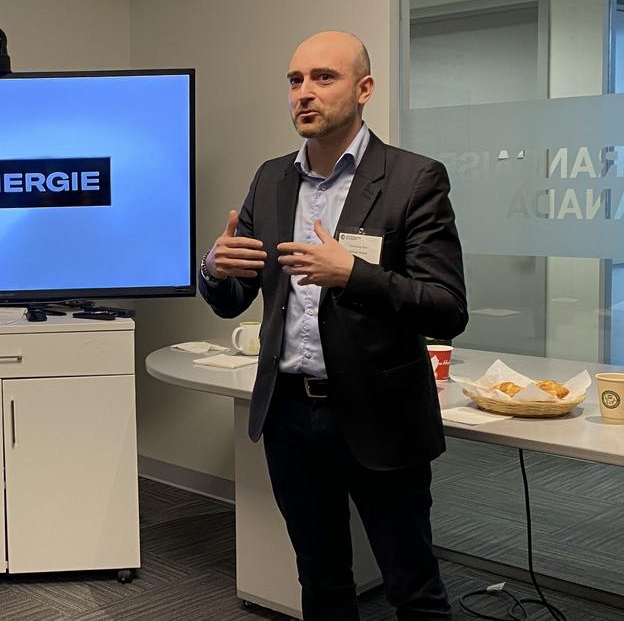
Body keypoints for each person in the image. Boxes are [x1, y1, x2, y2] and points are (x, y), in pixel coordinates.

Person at [200, 31, 467, 620]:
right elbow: (234, 298)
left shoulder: (414, 179)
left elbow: (447, 307)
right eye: (295, 80)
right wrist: (215, 269)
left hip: (380, 413)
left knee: (413, 588)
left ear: (364, 89)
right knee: (320, 581)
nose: (305, 92)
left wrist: (354, 275)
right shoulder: (271, 179)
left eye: (324, 77)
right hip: (290, 415)